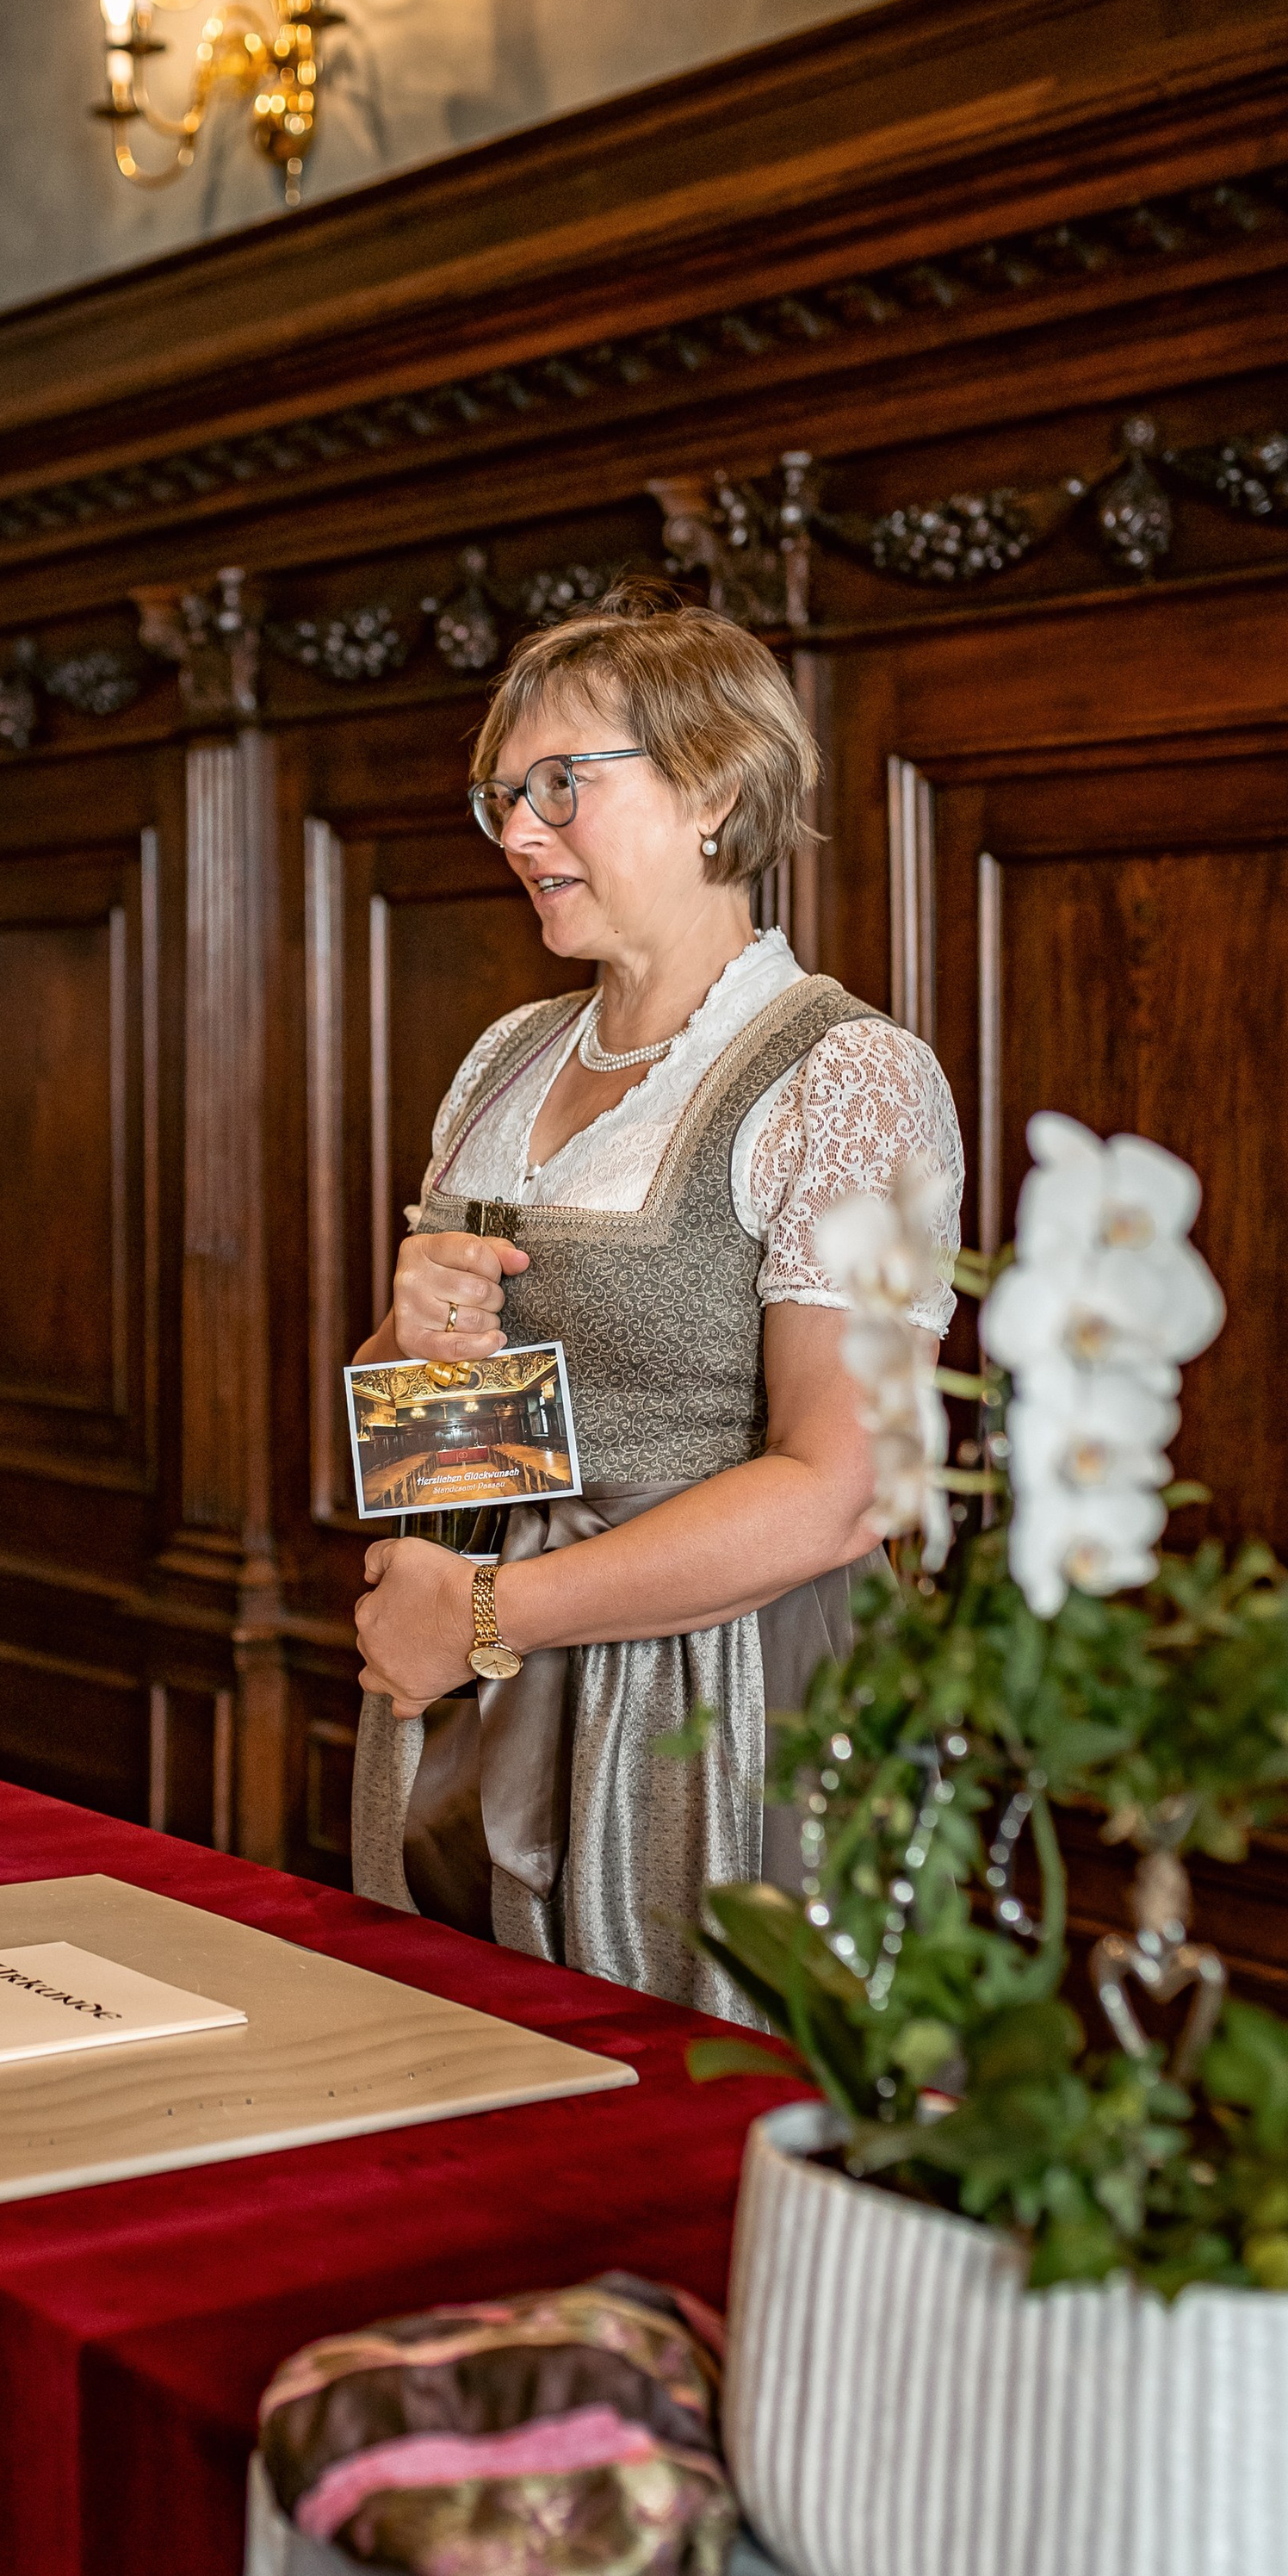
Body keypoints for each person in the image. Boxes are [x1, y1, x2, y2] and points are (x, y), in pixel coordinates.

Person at [350, 582, 962, 2014]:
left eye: (563, 783)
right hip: (473, 1687)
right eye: (504, 792)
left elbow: (838, 1492)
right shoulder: (506, 1056)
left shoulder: (847, 1078)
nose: (518, 830)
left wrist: (494, 1614)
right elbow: (436, 1454)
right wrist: (407, 1341)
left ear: (716, 789)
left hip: (716, 1709)